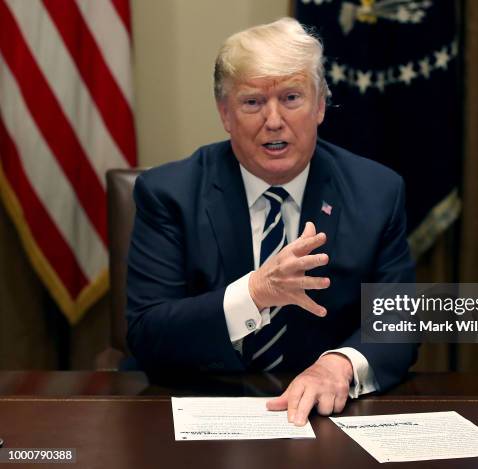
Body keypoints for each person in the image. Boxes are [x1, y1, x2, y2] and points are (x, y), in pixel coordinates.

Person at [126, 17, 418, 426]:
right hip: (194, 405)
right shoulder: (168, 193)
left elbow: (397, 320)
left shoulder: (377, 191)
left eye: (292, 98)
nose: (275, 120)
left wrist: (340, 365)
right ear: (225, 113)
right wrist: (255, 293)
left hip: (324, 417)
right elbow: (147, 333)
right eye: (252, 102)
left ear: (319, 106)